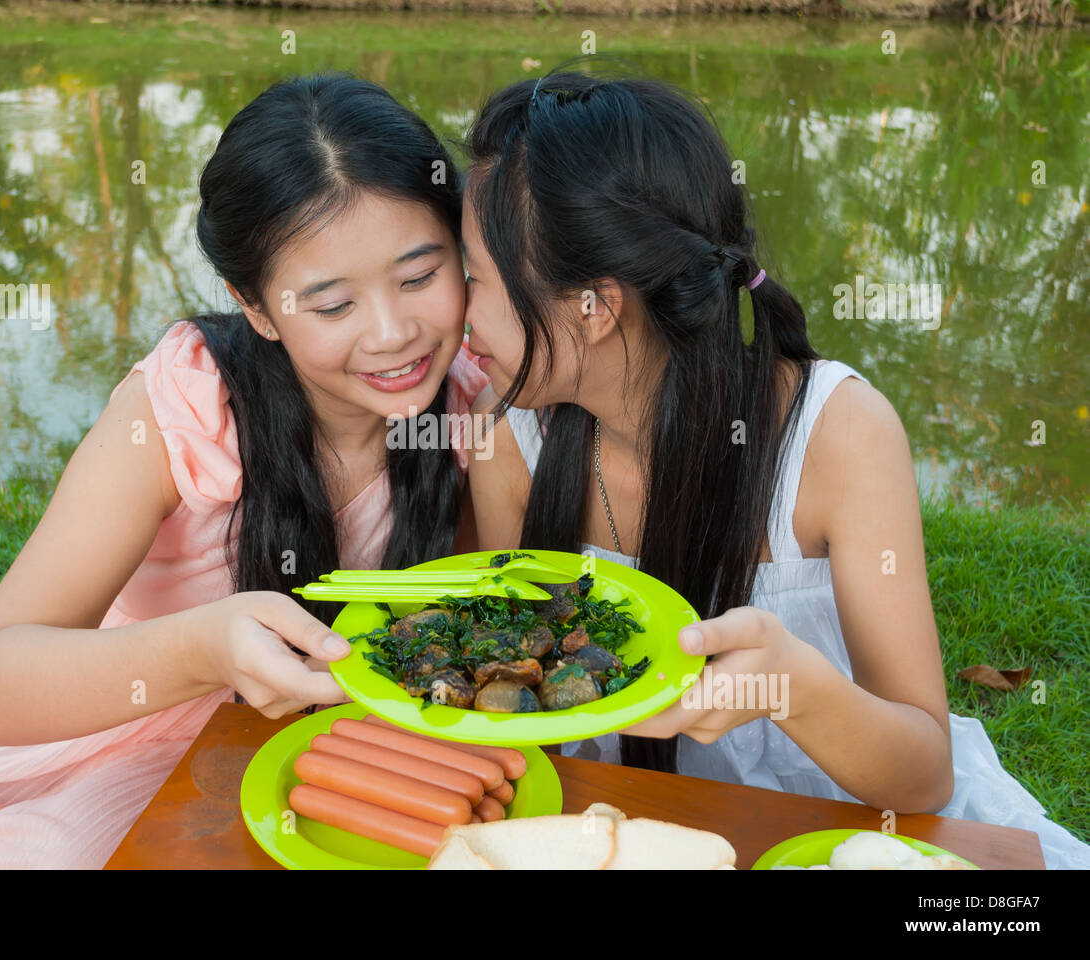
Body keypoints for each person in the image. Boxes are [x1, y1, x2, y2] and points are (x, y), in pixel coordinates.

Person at [0, 73, 488, 868]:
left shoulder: (474, 398)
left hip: (290, 756)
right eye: (332, 307)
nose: (396, 333)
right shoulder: (188, 407)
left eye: (422, 275)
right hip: (83, 715)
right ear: (255, 307)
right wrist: (203, 650)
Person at [461, 65, 1090, 869]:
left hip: (860, 837)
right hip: (646, 833)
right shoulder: (512, 440)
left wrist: (792, 687)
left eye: (476, 276)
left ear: (595, 308)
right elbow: (519, 717)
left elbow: (924, 771)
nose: (456, 308)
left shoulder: (837, 434)